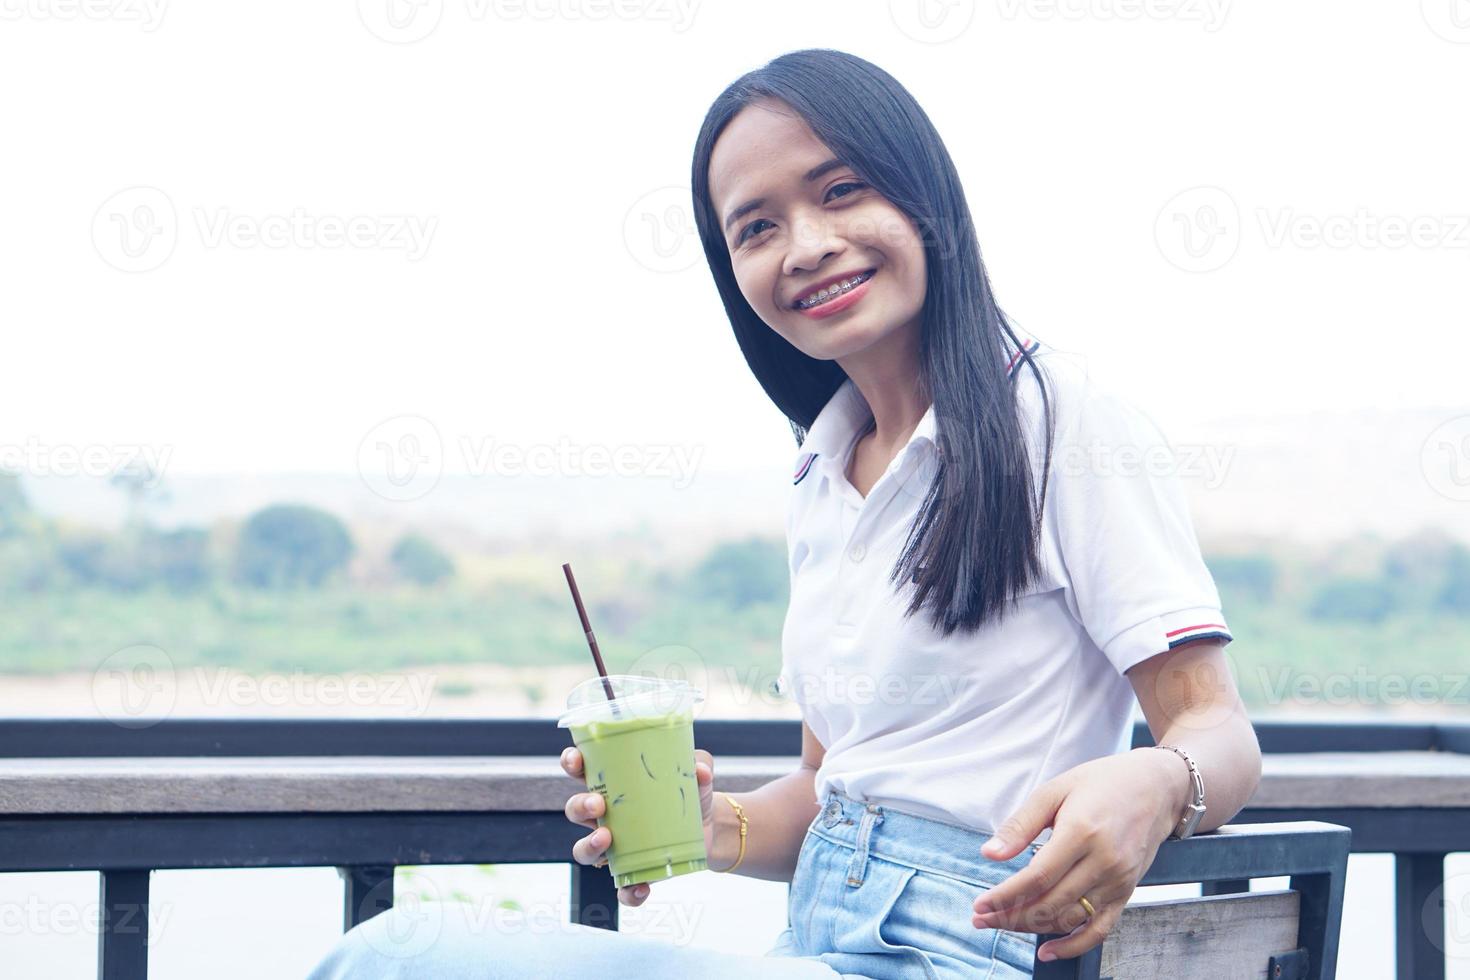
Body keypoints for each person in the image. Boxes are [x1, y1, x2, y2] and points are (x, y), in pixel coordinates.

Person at [308, 47, 1261, 979]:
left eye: (841, 190)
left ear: (923, 196)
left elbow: (1217, 732)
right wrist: (709, 824)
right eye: (757, 228)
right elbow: (830, 785)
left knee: (394, 957)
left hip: (962, 949)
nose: (806, 246)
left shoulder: (1062, 423)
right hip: (814, 947)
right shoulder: (822, 473)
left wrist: (1157, 783)